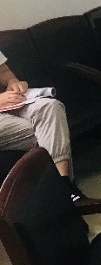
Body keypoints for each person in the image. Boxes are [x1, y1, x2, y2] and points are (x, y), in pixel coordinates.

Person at [0, 51, 85, 201]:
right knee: (49, 130)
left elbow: (4, 71)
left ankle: (62, 186)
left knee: (51, 107)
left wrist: (13, 83)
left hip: (8, 104)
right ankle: (64, 193)